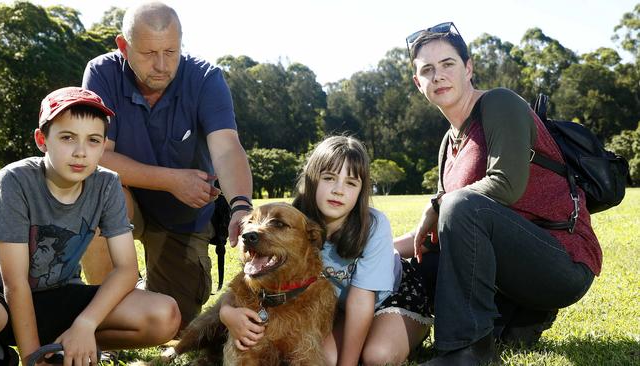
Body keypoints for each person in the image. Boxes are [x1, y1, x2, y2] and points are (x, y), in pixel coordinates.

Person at [403, 22, 601, 365]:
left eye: (448, 64)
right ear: (417, 82)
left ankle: (469, 351)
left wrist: (437, 204)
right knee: (424, 259)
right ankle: (514, 320)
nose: (438, 76)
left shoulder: (499, 104)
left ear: (468, 68)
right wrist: (369, 248)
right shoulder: (447, 144)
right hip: (511, 264)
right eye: (427, 70)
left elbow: (505, 184)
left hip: (562, 262)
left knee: (461, 205)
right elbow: (439, 229)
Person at [81, 1, 253, 328]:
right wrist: (172, 180)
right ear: (123, 46)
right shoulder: (102, 73)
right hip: (127, 202)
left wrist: (241, 207)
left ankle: (142, 289)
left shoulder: (206, 78)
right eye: (148, 54)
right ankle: (103, 322)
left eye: (171, 52)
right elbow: (98, 155)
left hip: (183, 218)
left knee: (176, 320)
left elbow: (227, 148)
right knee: (95, 190)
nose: (162, 65)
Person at [0, 87, 180, 366]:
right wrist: (33, 359)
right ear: (42, 140)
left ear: (104, 145)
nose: (81, 152)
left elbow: (127, 268)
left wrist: (85, 324)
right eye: (67, 138)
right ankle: (1, 352)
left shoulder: (107, 184)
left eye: (93, 140)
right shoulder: (15, 180)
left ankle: (68, 344)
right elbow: (15, 284)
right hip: (0, 298)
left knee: (165, 315)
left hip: (62, 294)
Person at [219, 136, 434, 366]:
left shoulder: (372, 225)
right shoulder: (292, 222)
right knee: (326, 359)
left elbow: (361, 303)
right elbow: (251, 276)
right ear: (312, 180)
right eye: (329, 178)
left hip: (394, 298)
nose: (339, 190)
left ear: (361, 191)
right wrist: (226, 313)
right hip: (341, 308)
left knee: (377, 356)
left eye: (351, 183)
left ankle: (413, 330)